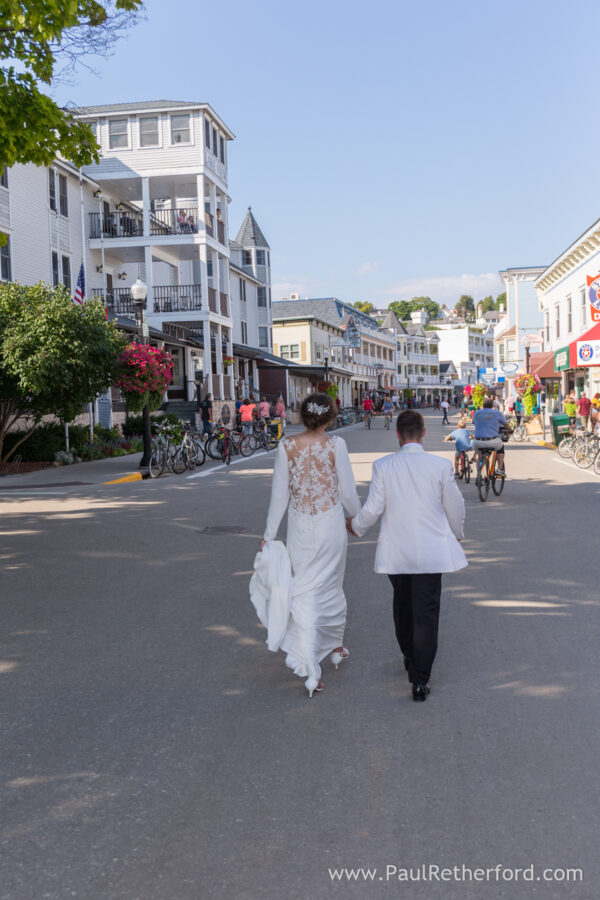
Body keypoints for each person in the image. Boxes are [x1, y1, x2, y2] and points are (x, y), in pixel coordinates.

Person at [347, 410, 467, 702]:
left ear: (398, 435)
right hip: (432, 550)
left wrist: (357, 527)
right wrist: (457, 532)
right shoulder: (439, 466)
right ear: (423, 433)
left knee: (402, 605)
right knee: (426, 612)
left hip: (397, 550)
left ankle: (408, 654)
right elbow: (455, 504)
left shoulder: (384, 465)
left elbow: (374, 507)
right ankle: (419, 678)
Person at [252, 393, 361, 698]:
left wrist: (269, 534)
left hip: (300, 527)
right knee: (330, 585)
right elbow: (348, 491)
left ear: (302, 415)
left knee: (305, 589)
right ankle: (326, 652)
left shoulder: (286, 446)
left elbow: (279, 496)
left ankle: (325, 651)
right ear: (329, 418)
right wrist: (358, 518)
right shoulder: (336, 445)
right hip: (330, 526)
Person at [473, 397, 508, 474]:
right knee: (500, 447)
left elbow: (475, 423)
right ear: (492, 405)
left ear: (483, 405)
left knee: (480, 456)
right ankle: (500, 469)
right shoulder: (497, 413)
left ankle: (479, 474)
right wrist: (511, 430)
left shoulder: (477, 413)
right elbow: (506, 425)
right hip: (492, 441)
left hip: (477, 441)